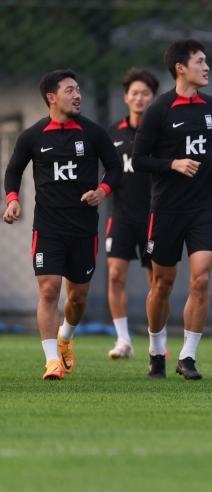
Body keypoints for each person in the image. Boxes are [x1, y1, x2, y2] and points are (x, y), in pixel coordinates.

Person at [3, 70, 122, 380]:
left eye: (78, 89)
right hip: (48, 227)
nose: (77, 95)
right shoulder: (33, 135)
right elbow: (13, 171)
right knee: (49, 291)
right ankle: (51, 361)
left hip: (83, 228)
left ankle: (65, 338)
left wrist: (102, 191)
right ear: (51, 98)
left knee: (78, 297)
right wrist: (13, 199)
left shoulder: (93, 132)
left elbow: (115, 167)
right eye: (70, 90)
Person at [132, 39, 212, 380]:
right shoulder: (159, 110)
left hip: (204, 206)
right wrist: (172, 163)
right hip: (167, 209)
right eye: (200, 61)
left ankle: (187, 357)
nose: (206, 67)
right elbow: (139, 159)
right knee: (163, 284)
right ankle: (156, 349)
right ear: (180, 68)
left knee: (201, 279)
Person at [105, 68, 159, 360]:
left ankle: (157, 340)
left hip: (154, 215)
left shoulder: (160, 132)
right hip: (122, 215)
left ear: (153, 97)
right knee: (115, 274)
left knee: (157, 281)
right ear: (126, 97)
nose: (139, 98)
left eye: (145, 93)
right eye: (134, 93)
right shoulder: (113, 133)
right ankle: (123, 339)